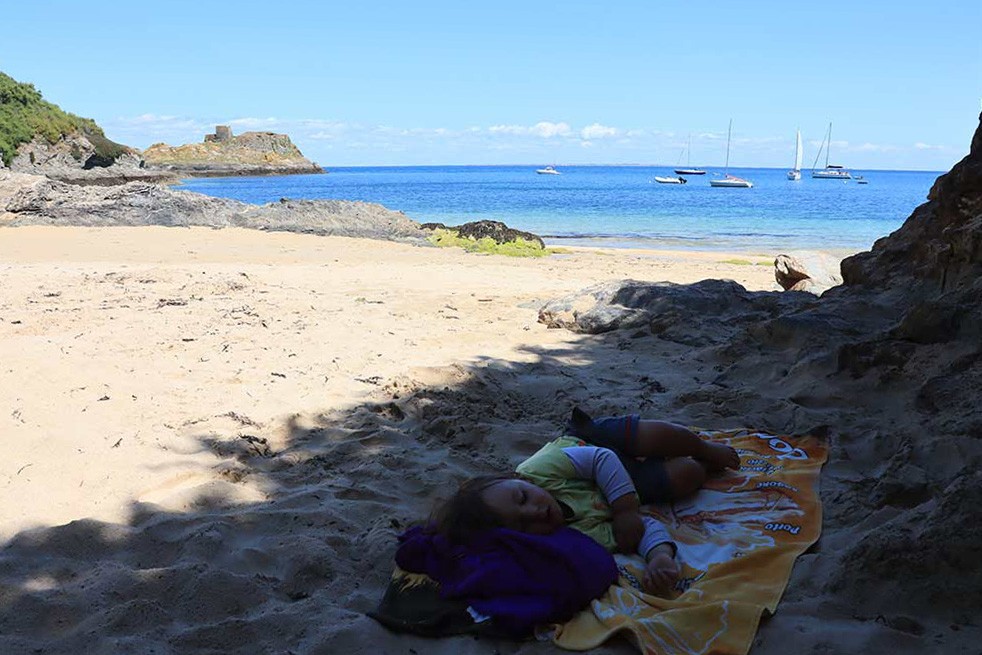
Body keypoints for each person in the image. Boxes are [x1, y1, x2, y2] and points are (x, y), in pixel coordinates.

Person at [431, 407, 740, 598]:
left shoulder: (539, 469)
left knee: (653, 435)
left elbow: (602, 459)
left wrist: (624, 509)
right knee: (689, 475)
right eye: (524, 523)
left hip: (595, 445)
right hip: (633, 487)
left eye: (523, 497)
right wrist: (659, 557)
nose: (534, 511)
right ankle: (699, 463)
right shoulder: (574, 537)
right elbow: (641, 529)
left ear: (521, 481)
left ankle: (704, 447)